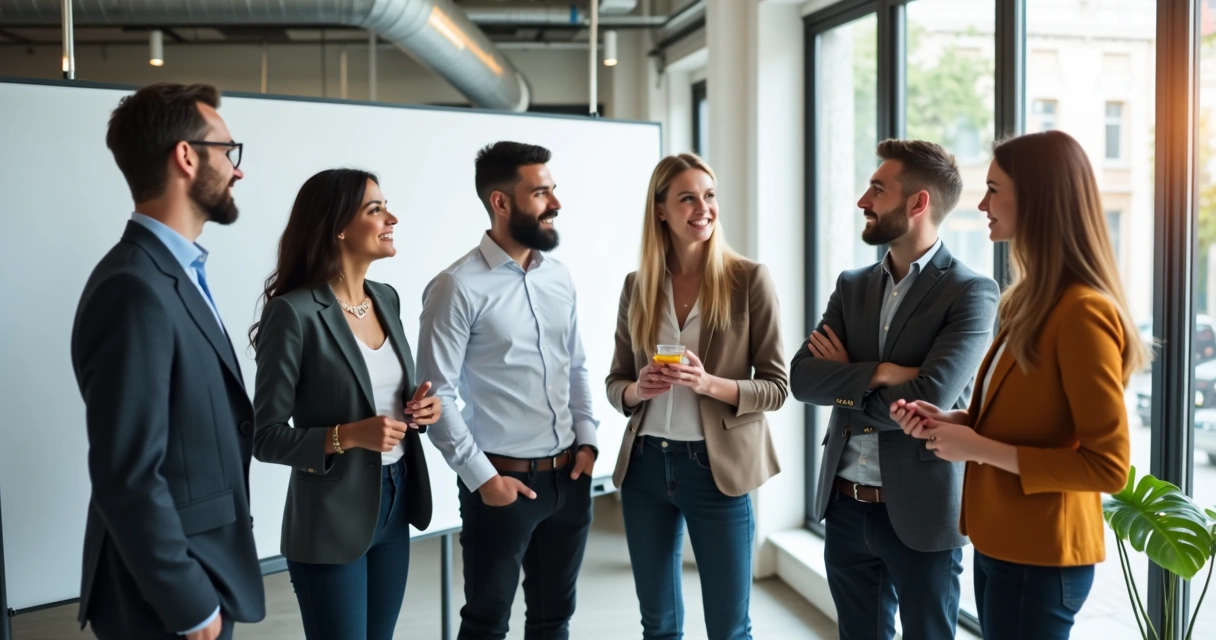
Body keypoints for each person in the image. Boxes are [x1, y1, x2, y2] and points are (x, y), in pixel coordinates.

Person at [891, 129, 1148, 639]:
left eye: (993, 188)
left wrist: (978, 447)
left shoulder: (1082, 313)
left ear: (1036, 197)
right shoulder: (1028, 302)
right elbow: (1029, 421)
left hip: (1041, 556)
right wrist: (954, 424)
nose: (982, 203)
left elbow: (1108, 466)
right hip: (1002, 544)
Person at [70, 83, 265, 640]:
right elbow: (126, 473)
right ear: (186, 156)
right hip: (164, 594)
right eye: (229, 152)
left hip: (201, 567)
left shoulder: (173, 273)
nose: (237, 170)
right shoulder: (134, 287)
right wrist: (188, 602)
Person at [790, 139, 1000, 640]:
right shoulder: (852, 284)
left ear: (918, 203)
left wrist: (847, 376)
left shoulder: (971, 292)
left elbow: (932, 398)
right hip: (843, 504)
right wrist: (882, 371)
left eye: (877, 189)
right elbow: (801, 378)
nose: (864, 200)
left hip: (923, 512)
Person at [415, 141, 599, 640]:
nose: (554, 203)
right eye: (540, 192)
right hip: (501, 487)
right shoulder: (455, 287)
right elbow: (437, 397)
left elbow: (576, 365)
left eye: (552, 190)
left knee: (553, 619)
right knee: (486, 623)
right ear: (501, 202)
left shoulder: (559, 276)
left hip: (569, 481)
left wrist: (588, 440)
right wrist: (483, 480)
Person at [604, 153, 788, 640]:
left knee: (729, 628)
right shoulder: (638, 286)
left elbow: (776, 387)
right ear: (661, 209)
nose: (703, 208)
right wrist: (635, 389)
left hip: (716, 471)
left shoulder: (749, 279)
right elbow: (615, 382)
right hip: (645, 466)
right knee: (658, 624)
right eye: (687, 198)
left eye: (709, 196)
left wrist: (710, 384)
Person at [249, 169, 440, 640]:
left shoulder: (387, 299)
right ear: (337, 226)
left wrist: (420, 414)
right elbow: (265, 436)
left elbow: (388, 402)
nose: (391, 218)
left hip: (395, 499)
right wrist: (349, 435)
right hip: (329, 517)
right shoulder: (292, 313)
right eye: (375, 210)